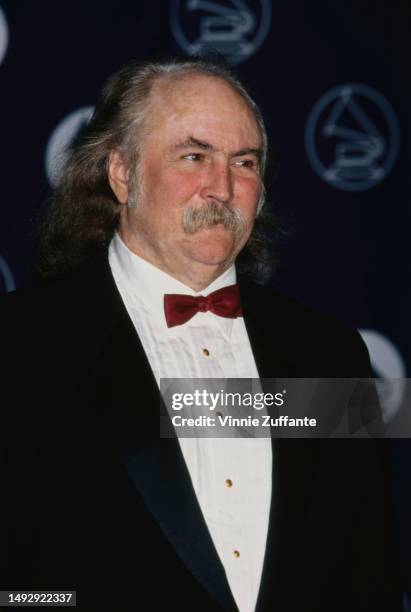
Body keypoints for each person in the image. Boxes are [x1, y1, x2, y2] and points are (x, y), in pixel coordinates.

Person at [0, 58, 403, 611]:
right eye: (195, 156)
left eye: (245, 162)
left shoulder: (330, 352)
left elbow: (368, 573)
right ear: (122, 174)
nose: (223, 186)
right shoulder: (20, 344)